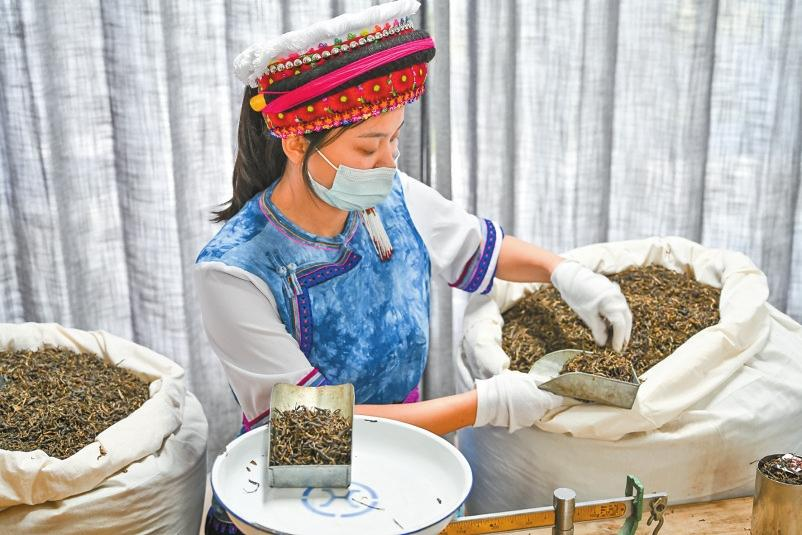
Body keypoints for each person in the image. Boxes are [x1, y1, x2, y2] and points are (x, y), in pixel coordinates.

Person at [195, 1, 632, 532]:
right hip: (297, 498)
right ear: (296, 141)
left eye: (394, 138)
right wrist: (488, 405)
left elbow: (479, 248)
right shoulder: (234, 272)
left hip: (406, 473)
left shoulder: (392, 198)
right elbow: (310, 434)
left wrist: (565, 273)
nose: (389, 162)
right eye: (368, 147)